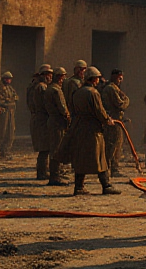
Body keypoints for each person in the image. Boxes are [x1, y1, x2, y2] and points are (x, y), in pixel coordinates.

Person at [56, 66, 121, 196]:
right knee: (100, 158)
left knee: (81, 159)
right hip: (93, 130)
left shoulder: (77, 93)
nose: (98, 81)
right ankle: (106, 185)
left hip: (79, 128)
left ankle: (79, 187)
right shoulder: (93, 93)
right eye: (97, 78)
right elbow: (99, 111)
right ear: (94, 79)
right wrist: (107, 120)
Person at [44, 67, 71, 186]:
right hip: (58, 122)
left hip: (53, 120)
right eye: (62, 77)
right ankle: (55, 176)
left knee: (55, 148)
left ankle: (56, 174)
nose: (63, 79)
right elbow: (63, 108)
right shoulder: (56, 90)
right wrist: (68, 118)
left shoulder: (50, 88)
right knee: (57, 149)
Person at [101, 69, 130, 177]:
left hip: (116, 120)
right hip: (113, 121)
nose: (120, 80)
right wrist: (127, 100)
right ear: (114, 76)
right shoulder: (111, 88)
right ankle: (112, 168)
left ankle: (112, 168)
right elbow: (120, 104)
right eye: (119, 78)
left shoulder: (113, 88)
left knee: (116, 145)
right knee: (113, 145)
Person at [28, 64, 52, 180]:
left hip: (38, 117)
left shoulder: (33, 86)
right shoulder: (41, 87)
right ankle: (42, 172)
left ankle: (43, 171)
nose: (50, 77)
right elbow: (45, 103)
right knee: (45, 147)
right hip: (41, 118)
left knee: (45, 146)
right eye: (47, 74)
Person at [0, 71, 19, 159]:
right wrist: (10, 101)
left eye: (10, 79)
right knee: (1, 132)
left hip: (10, 113)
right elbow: (1, 102)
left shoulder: (10, 88)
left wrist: (9, 100)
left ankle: (6, 152)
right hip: (3, 113)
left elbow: (16, 97)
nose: (8, 81)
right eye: (7, 79)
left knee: (10, 132)